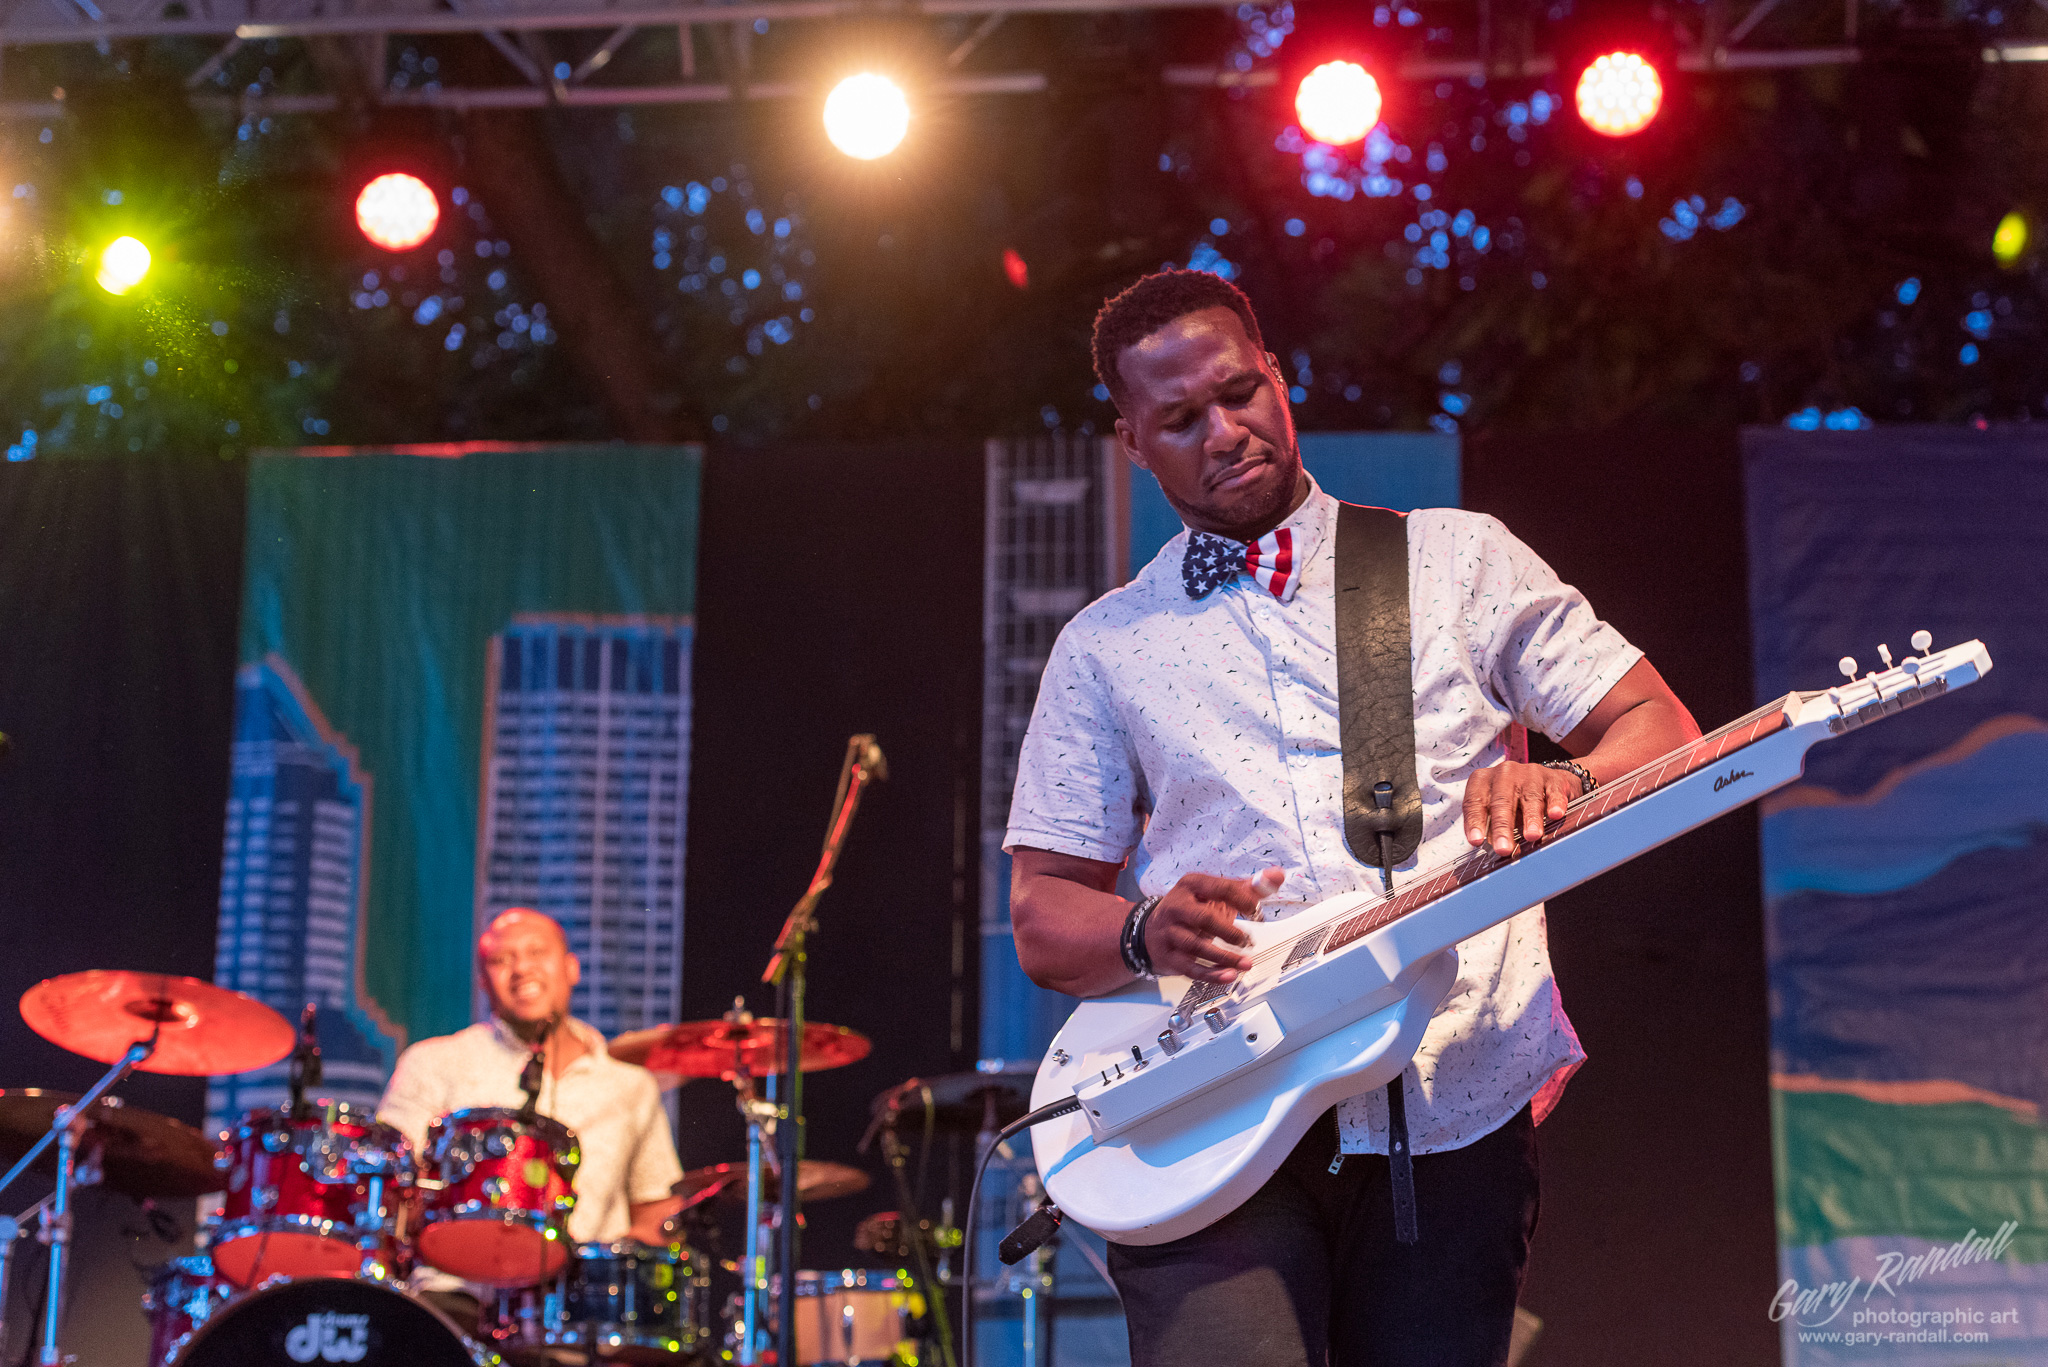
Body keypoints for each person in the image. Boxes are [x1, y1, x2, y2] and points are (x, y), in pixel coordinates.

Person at [1004, 269, 1700, 1367]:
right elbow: (1044, 913)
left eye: (1239, 392)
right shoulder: (1105, 644)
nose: (1223, 431)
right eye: (1180, 420)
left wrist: (1567, 781)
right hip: (1215, 1107)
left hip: (1449, 1100)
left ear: (1278, 376)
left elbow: (1659, 727)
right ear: (1131, 442)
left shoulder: (1457, 559)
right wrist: (1144, 928)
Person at [379, 907, 685, 1312]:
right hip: (453, 1297)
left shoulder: (629, 1085)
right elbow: (386, 1182)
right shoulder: (433, 1063)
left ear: (571, 968)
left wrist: (612, 1271)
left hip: (579, 1311)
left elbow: (657, 1212)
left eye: (537, 952)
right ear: (483, 981)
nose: (522, 968)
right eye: (501, 960)